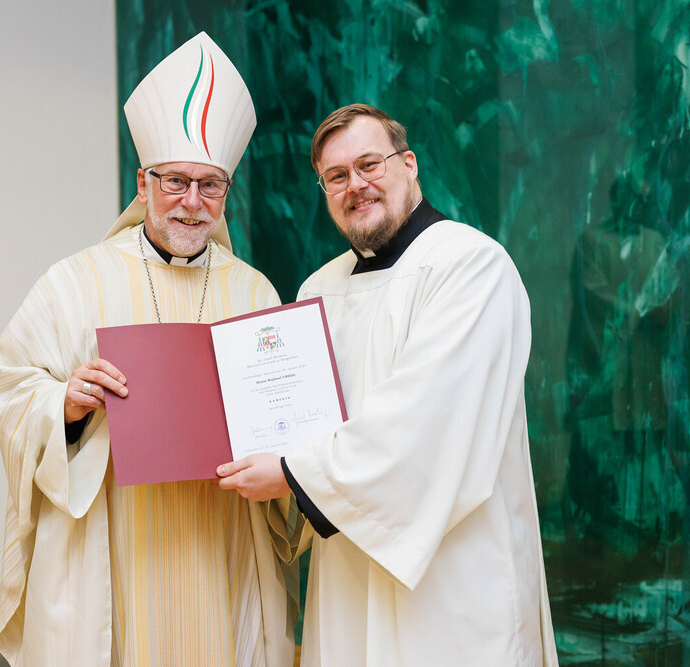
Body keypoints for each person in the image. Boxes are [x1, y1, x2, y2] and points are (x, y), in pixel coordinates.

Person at [0, 33, 296, 666]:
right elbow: (10, 386)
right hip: (117, 540)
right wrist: (65, 403)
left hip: (223, 535)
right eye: (175, 181)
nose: (192, 202)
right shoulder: (77, 281)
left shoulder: (255, 291)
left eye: (211, 186)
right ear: (143, 182)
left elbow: (284, 411)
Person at [217, 104, 558, 665]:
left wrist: (291, 473)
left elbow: (427, 424)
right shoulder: (317, 290)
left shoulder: (471, 265)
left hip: (451, 580)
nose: (355, 185)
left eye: (369, 164)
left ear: (409, 164)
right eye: (336, 176)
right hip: (346, 573)